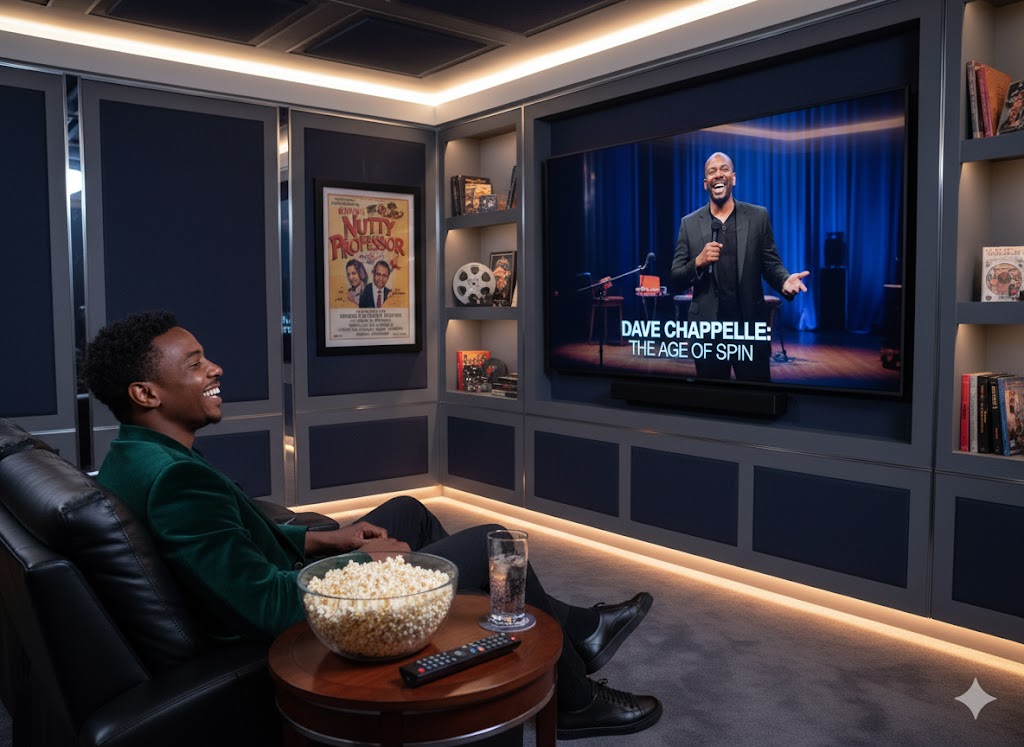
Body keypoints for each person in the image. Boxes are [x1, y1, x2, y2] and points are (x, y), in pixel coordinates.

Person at [82, 311, 663, 740]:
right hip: (301, 622)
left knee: (407, 509)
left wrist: (319, 537)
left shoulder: (133, 456)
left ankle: (579, 632)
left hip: (293, 573)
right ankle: (579, 700)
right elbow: (261, 607)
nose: (215, 368)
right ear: (145, 392)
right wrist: (366, 565)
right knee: (494, 544)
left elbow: (231, 541)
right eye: (195, 364)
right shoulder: (175, 480)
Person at [671, 151, 810, 381]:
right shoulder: (689, 223)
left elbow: (771, 264)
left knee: (757, 400)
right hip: (708, 332)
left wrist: (785, 280)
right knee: (711, 404)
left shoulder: (757, 217)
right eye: (712, 171)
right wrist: (698, 261)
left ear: (733, 178)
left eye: (724, 169)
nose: (718, 174)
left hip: (749, 328)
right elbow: (676, 277)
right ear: (706, 183)